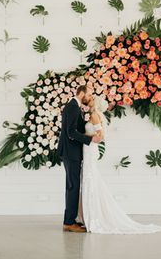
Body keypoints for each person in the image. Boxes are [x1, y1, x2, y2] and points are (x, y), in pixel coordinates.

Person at [78, 95, 161, 234]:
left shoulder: (94, 115)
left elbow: (100, 137)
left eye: (93, 99)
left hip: (90, 148)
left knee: (89, 177)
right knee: (89, 177)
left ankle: (93, 216)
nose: (90, 100)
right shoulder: (95, 114)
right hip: (88, 148)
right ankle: (89, 215)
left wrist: (82, 137)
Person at [57, 85, 102, 233]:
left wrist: (92, 128)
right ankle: (69, 222)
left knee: (73, 185)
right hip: (71, 152)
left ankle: (71, 219)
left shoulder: (76, 107)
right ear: (81, 93)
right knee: (73, 186)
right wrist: (90, 140)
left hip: (72, 152)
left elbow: (78, 127)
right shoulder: (73, 107)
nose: (89, 97)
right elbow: (71, 132)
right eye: (89, 94)